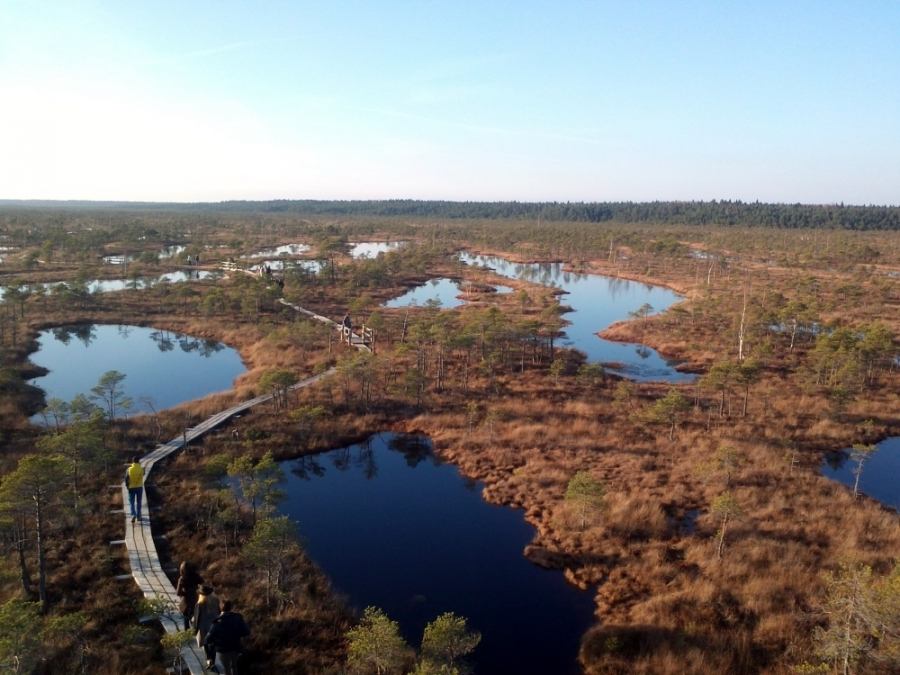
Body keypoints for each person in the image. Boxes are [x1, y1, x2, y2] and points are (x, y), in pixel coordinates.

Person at [205, 599, 251, 675]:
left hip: (223, 650)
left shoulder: (216, 623)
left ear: (220, 608)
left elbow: (207, 639)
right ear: (231, 607)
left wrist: (214, 643)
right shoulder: (238, 618)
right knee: (234, 666)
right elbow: (247, 632)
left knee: (226, 668)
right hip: (236, 648)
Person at [192, 584, 221, 669]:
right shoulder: (216, 601)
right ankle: (213, 662)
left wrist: (195, 629)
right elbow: (219, 613)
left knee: (206, 645)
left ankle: (209, 660)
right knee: (213, 645)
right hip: (215, 627)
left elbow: (197, 619)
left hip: (204, 628)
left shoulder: (199, 605)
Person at [176, 561, 204, 632]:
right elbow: (203, 584)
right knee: (195, 618)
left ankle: (187, 634)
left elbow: (178, 593)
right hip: (196, 600)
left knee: (186, 620)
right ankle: (196, 632)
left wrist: (185, 593)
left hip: (186, 602)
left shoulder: (182, 579)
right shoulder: (196, 576)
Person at [125, 457, 144, 524]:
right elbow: (143, 474)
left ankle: (133, 514)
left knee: (131, 502)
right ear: (138, 461)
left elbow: (126, 480)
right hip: (139, 487)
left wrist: (127, 487)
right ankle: (139, 516)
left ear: (132, 461)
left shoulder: (129, 469)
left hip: (131, 488)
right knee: (139, 502)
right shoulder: (141, 469)